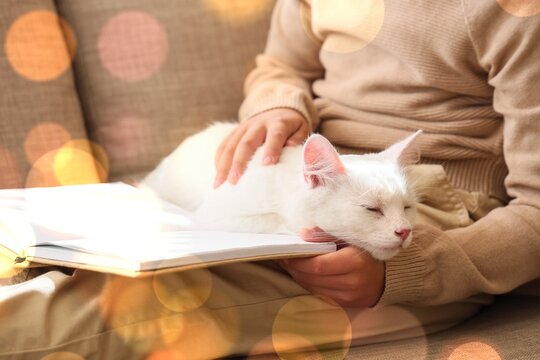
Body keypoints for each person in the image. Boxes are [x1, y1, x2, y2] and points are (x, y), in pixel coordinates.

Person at [2, 1, 539, 358]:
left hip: (428, 211)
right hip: (310, 173)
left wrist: (410, 272)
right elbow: (279, 64)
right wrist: (276, 108)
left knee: (93, 308)